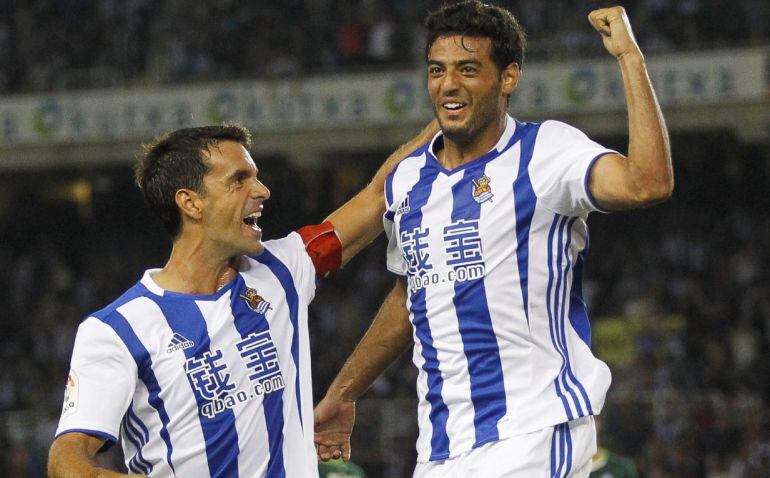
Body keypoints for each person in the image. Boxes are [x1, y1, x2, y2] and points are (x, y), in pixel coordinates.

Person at [314, 1, 672, 477]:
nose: (448, 85)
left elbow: (647, 183)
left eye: (468, 69)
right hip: (442, 449)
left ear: (508, 78)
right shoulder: (407, 182)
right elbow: (409, 295)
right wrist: (343, 393)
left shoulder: (544, 151)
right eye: (437, 70)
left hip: (537, 432)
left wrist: (630, 57)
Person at [47, 122, 436, 477]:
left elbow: (377, 195)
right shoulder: (117, 330)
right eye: (239, 180)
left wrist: (449, 119)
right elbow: (67, 462)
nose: (262, 190)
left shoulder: (283, 270)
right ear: (191, 203)